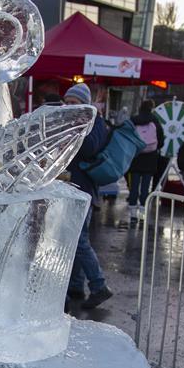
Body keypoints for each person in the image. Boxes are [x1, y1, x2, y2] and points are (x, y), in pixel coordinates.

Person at [62, 83, 113, 309]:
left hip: (83, 190)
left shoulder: (94, 122)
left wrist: (76, 127)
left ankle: (99, 285)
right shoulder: (78, 121)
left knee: (79, 240)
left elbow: (91, 148)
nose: (68, 106)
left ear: (84, 103)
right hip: (72, 187)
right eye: (67, 102)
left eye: (73, 103)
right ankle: (76, 285)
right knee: (75, 240)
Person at [126, 99, 165, 222]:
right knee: (145, 187)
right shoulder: (155, 120)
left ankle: (132, 214)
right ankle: (143, 213)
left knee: (134, 186)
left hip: (135, 158)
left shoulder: (133, 120)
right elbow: (161, 140)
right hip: (150, 159)